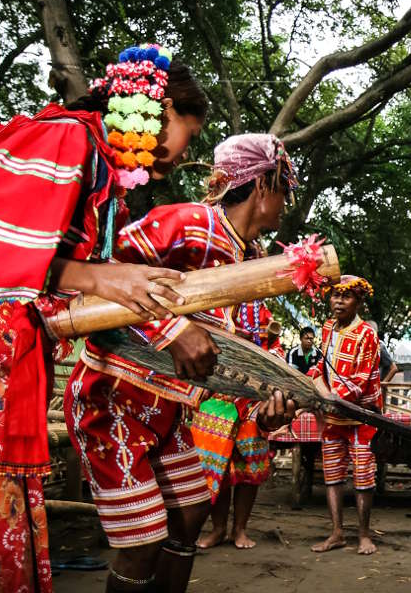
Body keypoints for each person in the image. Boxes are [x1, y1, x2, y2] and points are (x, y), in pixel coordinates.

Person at [0, 43, 209, 593]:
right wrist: (99, 276)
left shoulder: (100, 173)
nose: (184, 155)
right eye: (190, 135)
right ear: (158, 108)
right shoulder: (65, 136)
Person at [64, 133, 298, 592]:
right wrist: (172, 331)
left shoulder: (253, 263)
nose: (286, 203)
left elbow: (239, 361)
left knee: (192, 513)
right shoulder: (188, 222)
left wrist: (265, 409)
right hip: (111, 400)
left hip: (169, 413)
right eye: (284, 189)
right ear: (262, 185)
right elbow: (101, 273)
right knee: (144, 538)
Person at [194, 301, 285, 551]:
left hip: (252, 399)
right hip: (216, 398)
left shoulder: (263, 310)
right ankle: (219, 529)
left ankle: (240, 529)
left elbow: (275, 350)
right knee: (218, 470)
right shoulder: (214, 304)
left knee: (249, 470)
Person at [307, 276, 382, 556]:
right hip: (332, 416)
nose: (338, 301)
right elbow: (319, 367)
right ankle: (337, 533)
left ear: (359, 302)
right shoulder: (327, 327)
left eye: (346, 296)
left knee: (363, 476)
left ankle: (364, 535)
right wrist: (316, 388)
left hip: (361, 416)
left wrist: (326, 397)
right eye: (335, 295)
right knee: (332, 475)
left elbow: (359, 382)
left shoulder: (367, 334)